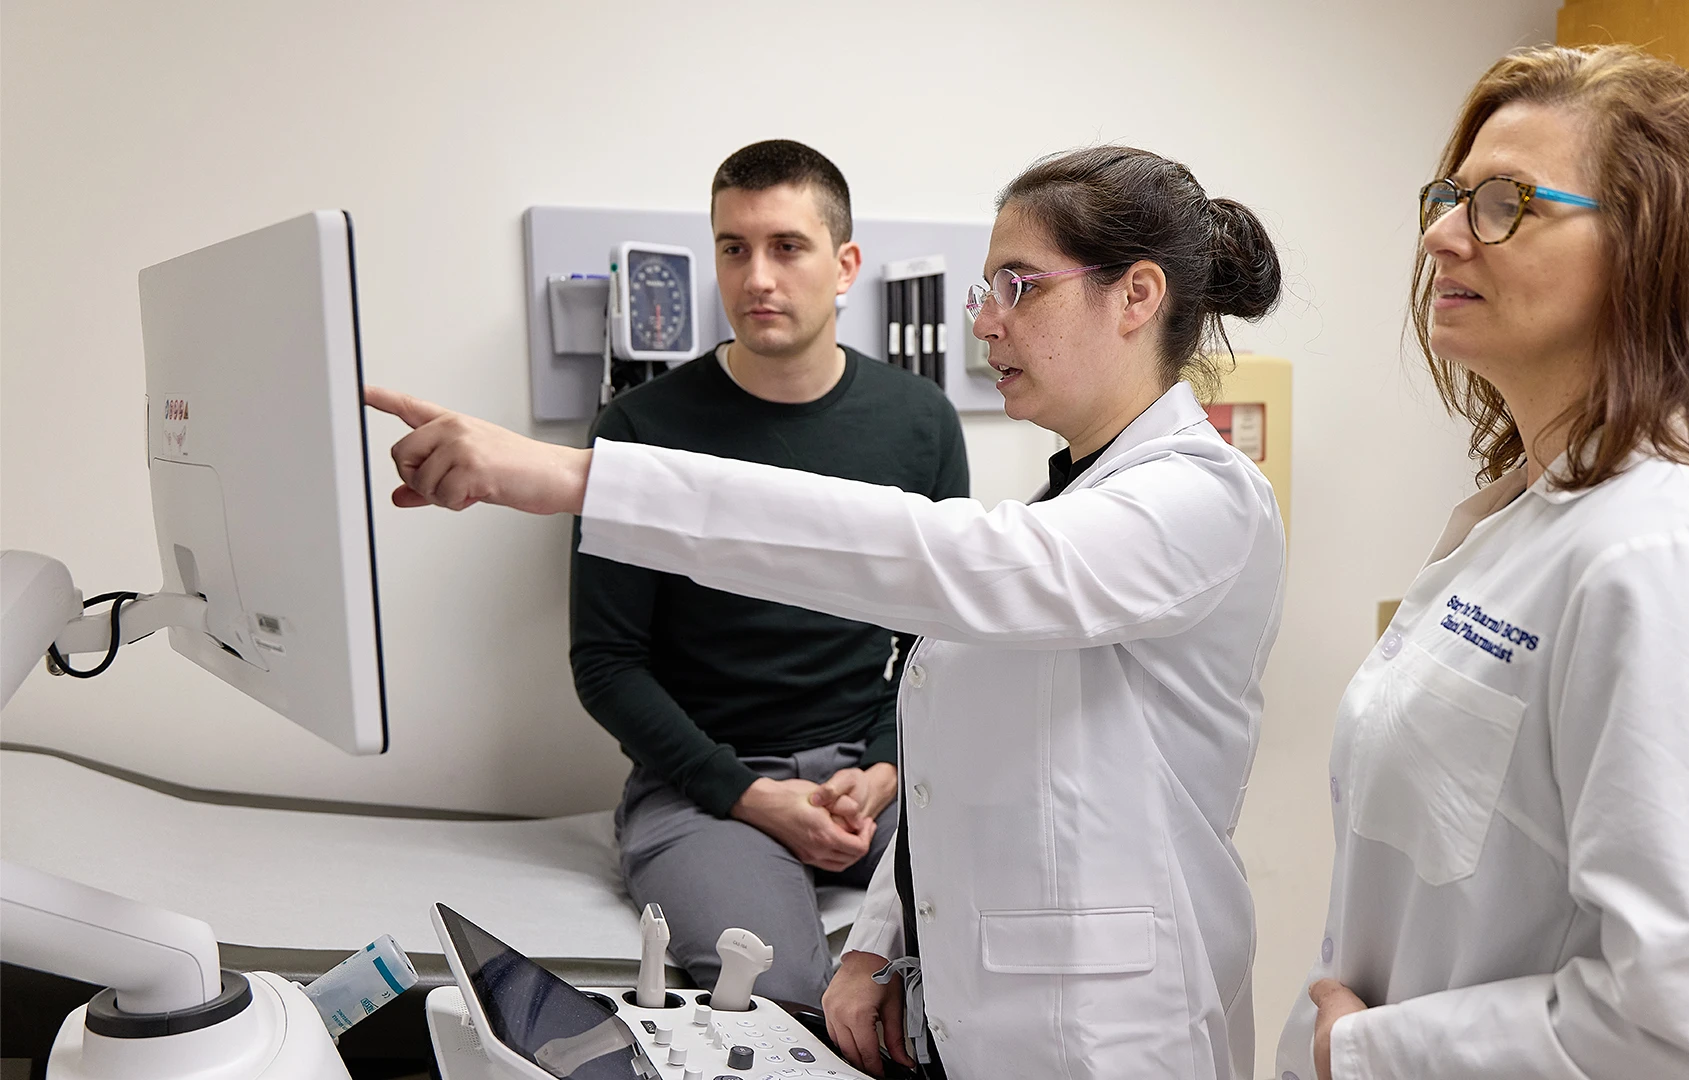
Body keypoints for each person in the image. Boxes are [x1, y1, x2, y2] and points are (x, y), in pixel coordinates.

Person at [366, 144, 1286, 1080]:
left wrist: (578, 478)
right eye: (986, 290)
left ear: (1136, 296)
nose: (989, 325)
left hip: (1118, 1031)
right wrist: (873, 944)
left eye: (1019, 286)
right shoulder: (1073, 504)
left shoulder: (1200, 500)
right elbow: (949, 777)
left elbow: (938, 558)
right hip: (992, 1012)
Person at [1276, 44, 1689, 1080]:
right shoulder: (1530, 515)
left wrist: (1370, 1054)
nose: (1441, 234)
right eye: (1450, 198)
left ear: (1648, 249)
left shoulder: (1664, 549)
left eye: (1504, 203)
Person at [571, 139, 969, 1006]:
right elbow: (605, 665)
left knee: (996, 940)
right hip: (703, 783)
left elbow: (940, 644)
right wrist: (749, 795)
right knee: (783, 991)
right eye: (733, 247)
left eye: (787, 247)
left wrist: (889, 764)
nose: (758, 277)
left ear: (844, 264)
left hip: (875, 779)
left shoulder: (921, 424)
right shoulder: (641, 430)